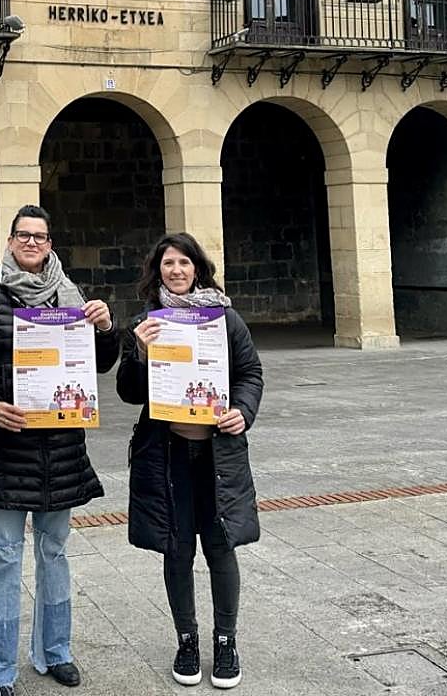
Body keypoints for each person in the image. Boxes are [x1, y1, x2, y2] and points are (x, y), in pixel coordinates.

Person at [0, 205, 118, 696]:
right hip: (6, 447)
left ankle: (55, 652)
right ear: (9, 241)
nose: (31, 243)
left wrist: (105, 328)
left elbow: (99, 365)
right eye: (23, 235)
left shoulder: (71, 297)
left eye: (40, 236)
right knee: (3, 556)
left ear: (50, 244)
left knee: (56, 552)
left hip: (61, 449)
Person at [116, 232, 263, 690]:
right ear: (156, 271)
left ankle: (225, 641)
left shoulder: (225, 318)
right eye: (167, 264)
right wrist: (139, 352)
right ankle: (186, 639)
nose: (175, 271)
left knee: (220, 546)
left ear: (197, 268)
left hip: (218, 454)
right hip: (169, 454)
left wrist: (243, 410)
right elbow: (128, 392)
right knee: (177, 549)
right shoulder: (147, 322)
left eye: (183, 263)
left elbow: (250, 373)